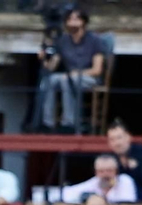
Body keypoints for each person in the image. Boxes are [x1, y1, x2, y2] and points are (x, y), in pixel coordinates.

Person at [35, 6, 102, 134]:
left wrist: (77, 73)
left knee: (66, 80)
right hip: (68, 76)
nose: (72, 22)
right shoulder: (63, 40)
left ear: (84, 22)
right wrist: (44, 59)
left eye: (76, 19)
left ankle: (68, 123)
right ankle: (47, 123)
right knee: (49, 80)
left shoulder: (94, 40)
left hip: (89, 78)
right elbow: (52, 66)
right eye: (69, 19)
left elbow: (97, 70)